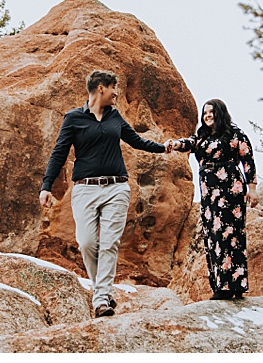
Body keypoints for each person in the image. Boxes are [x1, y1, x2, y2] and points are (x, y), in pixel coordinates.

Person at [39, 69, 173, 318]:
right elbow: (59, 153)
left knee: (109, 244)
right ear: (101, 88)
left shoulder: (115, 117)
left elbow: (136, 141)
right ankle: (104, 290)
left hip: (116, 188)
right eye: (113, 88)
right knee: (87, 243)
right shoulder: (73, 118)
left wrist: (162, 148)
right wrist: (46, 186)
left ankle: (100, 298)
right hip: (85, 189)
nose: (116, 93)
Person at [172, 99, 258, 300]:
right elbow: (188, 143)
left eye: (211, 112)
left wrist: (252, 189)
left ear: (220, 113)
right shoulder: (202, 137)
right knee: (213, 236)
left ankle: (235, 285)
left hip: (231, 190)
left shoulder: (235, 134)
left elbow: (247, 160)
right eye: (205, 113)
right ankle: (221, 285)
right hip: (209, 194)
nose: (207, 116)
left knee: (232, 235)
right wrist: (175, 144)